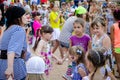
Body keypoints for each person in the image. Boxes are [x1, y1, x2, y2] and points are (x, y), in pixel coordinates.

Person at [0, 6, 29, 80]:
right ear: (18, 17)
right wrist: (10, 68)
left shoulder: (8, 29)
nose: (27, 17)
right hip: (15, 67)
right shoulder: (18, 29)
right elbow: (12, 49)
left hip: (3, 65)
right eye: (24, 15)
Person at [110, 9, 120, 77]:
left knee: (118, 62)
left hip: (117, 47)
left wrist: (112, 49)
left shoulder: (113, 26)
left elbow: (112, 39)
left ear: (114, 16)